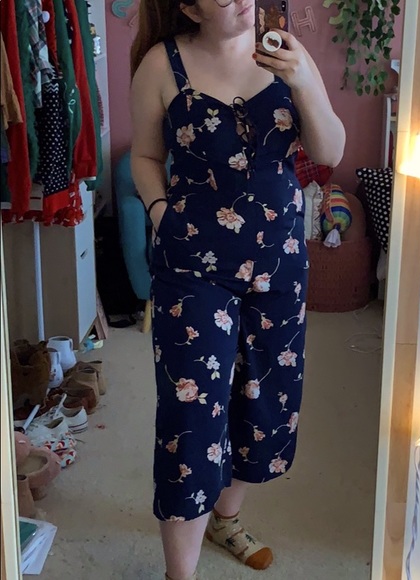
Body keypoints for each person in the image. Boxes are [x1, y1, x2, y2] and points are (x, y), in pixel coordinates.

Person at [130, 1, 345, 578]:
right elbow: (145, 156)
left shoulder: (287, 56)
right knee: (192, 416)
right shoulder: (161, 65)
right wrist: (161, 214)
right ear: (189, 7)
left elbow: (329, 153)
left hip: (279, 266)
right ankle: (180, 573)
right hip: (192, 268)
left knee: (264, 399)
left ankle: (226, 519)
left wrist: (305, 82)